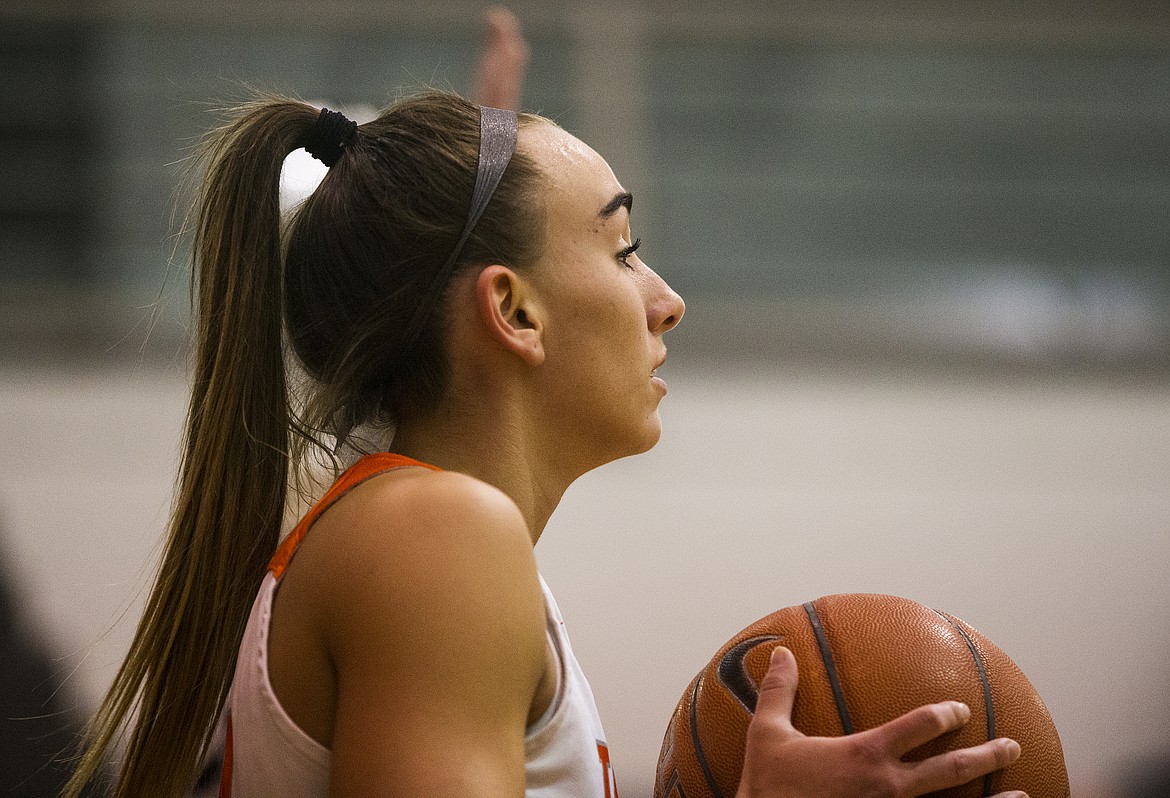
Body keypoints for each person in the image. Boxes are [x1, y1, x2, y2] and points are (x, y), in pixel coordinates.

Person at [64, 45, 1027, 798]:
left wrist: (452, 207)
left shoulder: (400, 529)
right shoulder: (436, 538)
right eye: (623, 247)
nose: (667, 299)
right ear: (514, 312)